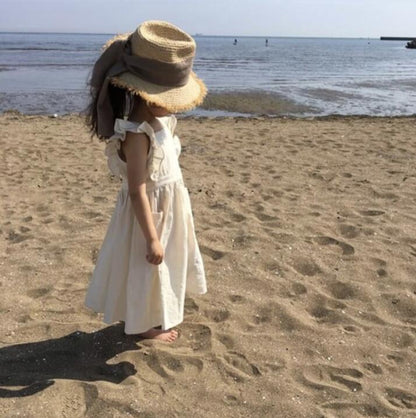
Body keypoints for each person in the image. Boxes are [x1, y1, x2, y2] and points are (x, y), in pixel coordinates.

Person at [84, 20, 208, 342]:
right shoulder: (138, 134)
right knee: (146, 266)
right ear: (149, 96)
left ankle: (153, 315)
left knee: (162, 268)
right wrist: (151, 236)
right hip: (148, 215)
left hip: (169, 208)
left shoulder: (161, 120)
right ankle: (141, 327)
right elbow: (138, 188)